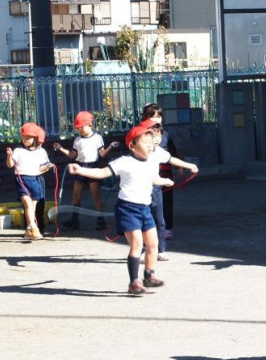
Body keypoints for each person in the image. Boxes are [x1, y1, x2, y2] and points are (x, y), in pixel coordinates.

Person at [68, 123, 174, 296]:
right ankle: (134, 283)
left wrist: (166, 181)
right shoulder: (124, 162)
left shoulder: (150, 162)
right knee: (137, 244)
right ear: (132, 146)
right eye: (145, 142)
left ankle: (149, 275)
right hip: (127, 209)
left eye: (151, 142)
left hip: (145, 209)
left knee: (153, 244)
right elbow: (102, 173)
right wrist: (80, 169)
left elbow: (153, 178)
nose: (150, 145)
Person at [140, 118, 198, 261]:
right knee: (144, 221)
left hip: (156, 190)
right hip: (141, 193)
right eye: (154, 135)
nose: (157, 138)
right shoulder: (138, 152)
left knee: (160, 221)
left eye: (159, 134)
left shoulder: (159, 151)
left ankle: (161, 250)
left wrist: (188, 166)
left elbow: (172, 159)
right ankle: (143, 249)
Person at [53, 111, 119, 230]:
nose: (80, 130)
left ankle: (100, 219)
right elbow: (73, 155)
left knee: (95, 195)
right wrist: (61, 148)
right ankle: (74, 219)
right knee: (76, 195)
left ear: (90, 124)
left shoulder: (97, 138)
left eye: (81, 127)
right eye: (78, 128)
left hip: (93, 167)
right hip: (80, 167)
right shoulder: (77, 140)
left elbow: (102, 154)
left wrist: (110, 146)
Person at [6, 122, 53, 241]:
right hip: (22, 179)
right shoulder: (18, 151)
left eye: (29, 137)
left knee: (32, 206)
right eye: (23, 137)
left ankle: (29, 230)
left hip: (36, 180)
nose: (25, 139)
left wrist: (48, 166)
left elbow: (40, 168)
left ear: (35, 138)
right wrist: (9, 156)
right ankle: (34, 227)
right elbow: (10, 165)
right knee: (27, 204)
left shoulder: (41, 152)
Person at [141, 104, 178, 241]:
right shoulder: (141, 134)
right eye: (153, 116)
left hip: (165, 173)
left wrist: (180, 167)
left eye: (159, 116)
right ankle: (148, 228)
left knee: (167, 201)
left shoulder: (165, 135)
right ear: (146, 117)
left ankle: (167, 227)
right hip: (148, 175)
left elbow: (173, 152)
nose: (156, 119)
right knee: (148, 202)